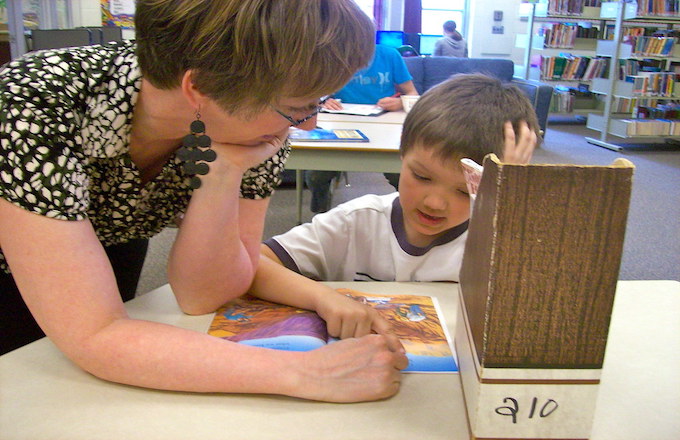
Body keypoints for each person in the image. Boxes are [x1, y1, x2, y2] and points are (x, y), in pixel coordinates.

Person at [0, 0, 408, 403]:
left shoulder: (252, 132)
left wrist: (223, 174)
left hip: (109, 251)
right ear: (199, 88)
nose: (309, 124)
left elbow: (203, 295)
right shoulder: (36, 101)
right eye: (298, 106)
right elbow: (95, 333)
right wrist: (303, 373)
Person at [254, 74, 539, 286]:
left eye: (466, 191)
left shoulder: (495, 237)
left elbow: (538, 301)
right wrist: (322, 297)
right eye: (422, 176)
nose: (435, 203)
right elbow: (255, 265)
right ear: (402, 152)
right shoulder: (357, 222)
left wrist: (506, 202)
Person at [306, 44, 419, 213]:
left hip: (383, 124)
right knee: (317, 174)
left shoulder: (389, 55)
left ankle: (405, 214)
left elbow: (412, 93)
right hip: (341, 123)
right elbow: (314, 92)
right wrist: (324, 100)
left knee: (401, 171)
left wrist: (400, 102)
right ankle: (320, 213)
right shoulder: (331, 54)